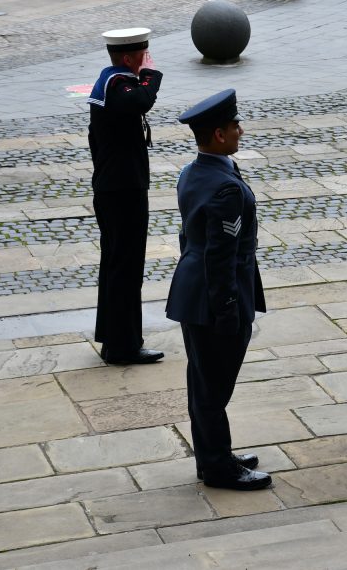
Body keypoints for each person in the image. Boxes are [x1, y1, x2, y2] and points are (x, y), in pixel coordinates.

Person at [165, 89, 271, 491]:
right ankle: (217, 467)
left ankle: (213, 455)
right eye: (234, 126)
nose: (240, 131)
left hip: (193, 293)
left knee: (203, 380)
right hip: (216, 298)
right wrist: (228, 309)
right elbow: (222, 256)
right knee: (213, 386)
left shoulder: (193, 173)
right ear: (218, 134)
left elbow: (187, 236)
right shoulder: (225, 188)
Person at [88, 27, 164, 366]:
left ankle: (116, 340)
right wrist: (150, 74)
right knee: (125, 268)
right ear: (130, 57)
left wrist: (143, 74)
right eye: (144, 55)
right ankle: (123, 346)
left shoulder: (113, 80)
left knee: (119, 266)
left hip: (117, 187)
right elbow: (141, 100)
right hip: (122, 191)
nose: (148, 60)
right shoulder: (117, 83)